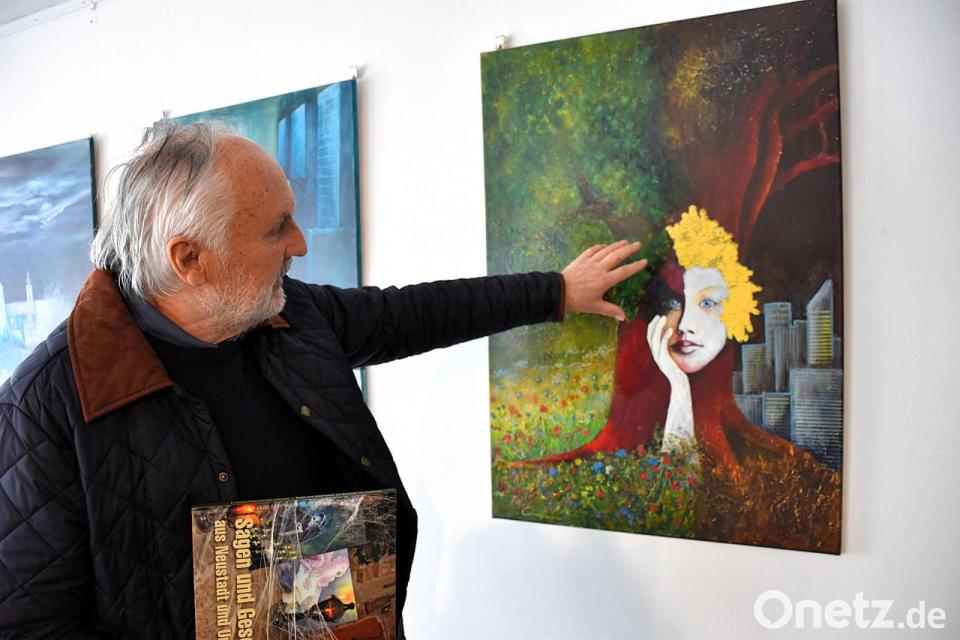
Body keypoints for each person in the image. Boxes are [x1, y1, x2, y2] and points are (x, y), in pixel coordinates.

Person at [0, 121, 646, 639]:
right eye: (275, 228)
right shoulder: (49, 404)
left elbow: (411, 314)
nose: (301, 243)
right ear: (190, 259)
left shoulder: (291, 316)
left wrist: (555, 291)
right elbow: (31, 620)